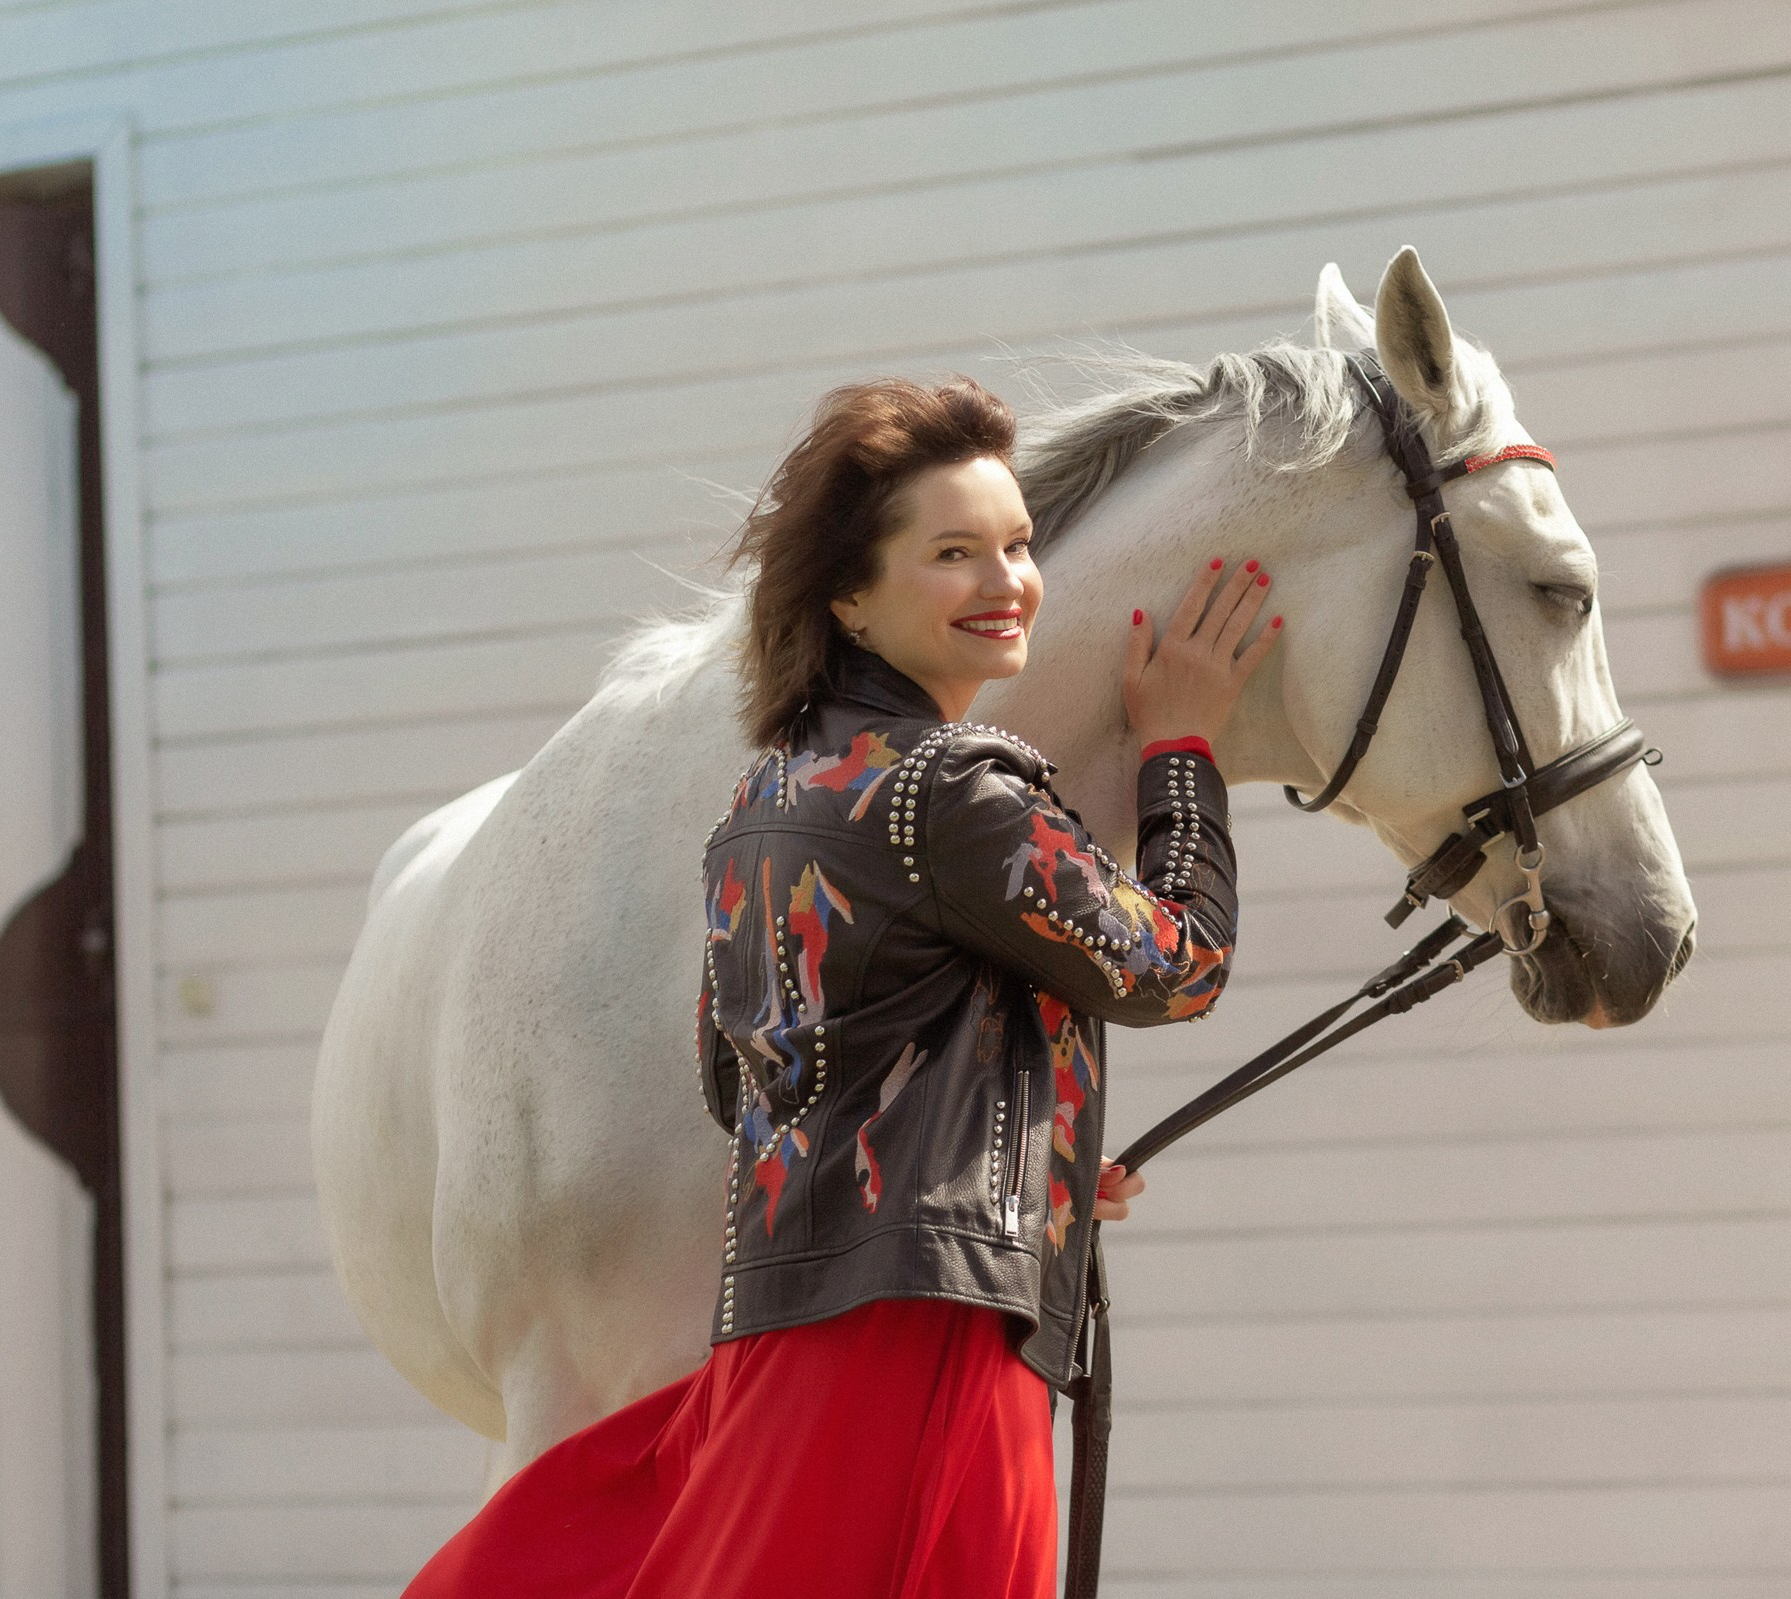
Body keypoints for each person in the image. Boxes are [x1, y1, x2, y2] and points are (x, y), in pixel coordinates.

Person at [403, 374, 1279, 1599]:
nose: (1008, 582)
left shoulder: (766, 803)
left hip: (783, 1351)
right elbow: (1174, 966)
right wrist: (1183, 747)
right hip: (925, 1357)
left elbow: (754, 1076)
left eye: (1019, 545)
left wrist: (1027, 1158)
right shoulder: (951, 789)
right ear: (853, 599)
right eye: (954, 554)